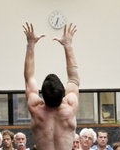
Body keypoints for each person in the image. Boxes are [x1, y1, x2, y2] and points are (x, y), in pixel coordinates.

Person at [23, 22, 80, 150]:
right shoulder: (70, 106)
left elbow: (29, 77)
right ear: (63, 94)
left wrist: (30, 45)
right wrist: (68, 45)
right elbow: (73, 78)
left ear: (42, 95)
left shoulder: (36, 107)